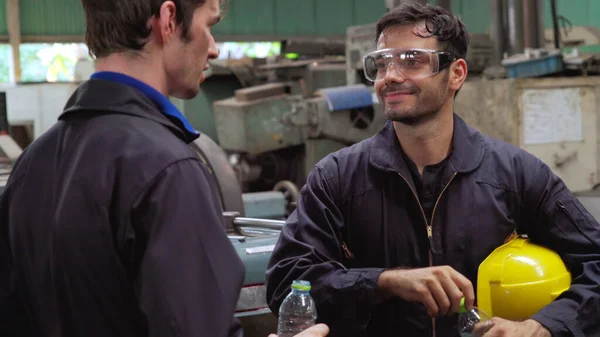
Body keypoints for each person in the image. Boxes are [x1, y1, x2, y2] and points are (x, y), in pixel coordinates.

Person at [265, 3, 600, 337]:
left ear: (456, 74)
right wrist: (386, 281)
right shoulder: (337, 178)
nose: (391, 76)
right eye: (382, 63)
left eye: (411, 61)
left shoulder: (515, 176)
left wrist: (543, 325)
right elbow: (286, 283)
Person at [0, 0, 328, 337]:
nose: (213, 49)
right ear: (169, 20)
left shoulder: (31, 165)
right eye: (209, 25)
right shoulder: (167, 170)